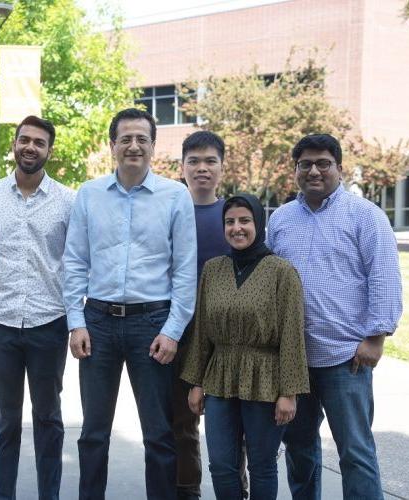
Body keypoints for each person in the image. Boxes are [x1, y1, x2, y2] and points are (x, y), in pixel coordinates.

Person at [64, 107, 197, 500]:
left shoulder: (175, 196)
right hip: (98, 323)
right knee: (93, 433)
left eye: (142, 139)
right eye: (126, 139)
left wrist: (172, 330)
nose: (134, 146)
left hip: (152, 324)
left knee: (158, 433)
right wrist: (76, 321)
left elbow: (185, 271)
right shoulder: (89, 195)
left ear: (153, 147)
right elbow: (74, 261)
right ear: (113, 146)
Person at [267, 134, 402, 500]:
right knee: (299, 450)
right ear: (295, 170)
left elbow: (384, 275)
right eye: (305, 164)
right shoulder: (281, 220)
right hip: (295, 360)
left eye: (323, 163)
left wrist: (376, 337)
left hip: (347, 358)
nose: (314, 170)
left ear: (338, 168)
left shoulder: (366, 216)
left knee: (355, 452)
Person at [0, 116, 75, 500]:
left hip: (50, 323)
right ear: (14, 144)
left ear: (50, 150)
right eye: (24, 140)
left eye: (39, 142)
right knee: (6, 420)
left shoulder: (68, 200)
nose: (31, 147)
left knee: (49, 418)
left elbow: (77, 261)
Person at [181, 193, 309, 499]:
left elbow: (293, 334)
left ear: (259, 224)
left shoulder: (282, 272)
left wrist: (288, 393)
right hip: (219, 377)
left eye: (244, 220)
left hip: (265, 377)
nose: (237, 228)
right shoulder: (213, 269)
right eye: (230, 222)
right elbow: (201, 330)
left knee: (262, 465)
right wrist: (196, 382)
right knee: (222, 465)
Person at [174, 130, 232, 500]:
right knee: (182, 420)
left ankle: (234, 488)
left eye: (210, 161)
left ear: (222, 168)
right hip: (179, 329)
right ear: (182, 168)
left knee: (231, 422)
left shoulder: (235, 215)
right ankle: (187, 490)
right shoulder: (169, 209)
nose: (202, 168)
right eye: (194, 161)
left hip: (227, 335)